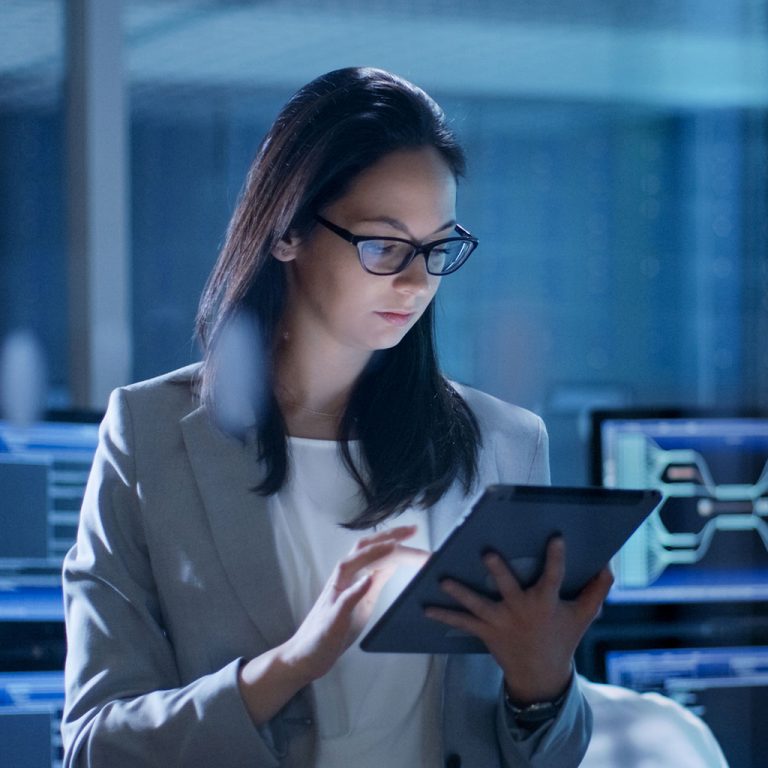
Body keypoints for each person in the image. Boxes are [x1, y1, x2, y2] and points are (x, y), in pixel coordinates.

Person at [61, 66, 613, 767]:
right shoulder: (150, 436)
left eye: (437, 248)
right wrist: (291, 663)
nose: (417, 283)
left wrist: (543, 684)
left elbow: (552, 754)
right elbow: (93, 747)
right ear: (287, 231)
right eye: (383, 245)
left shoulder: (505, 443)